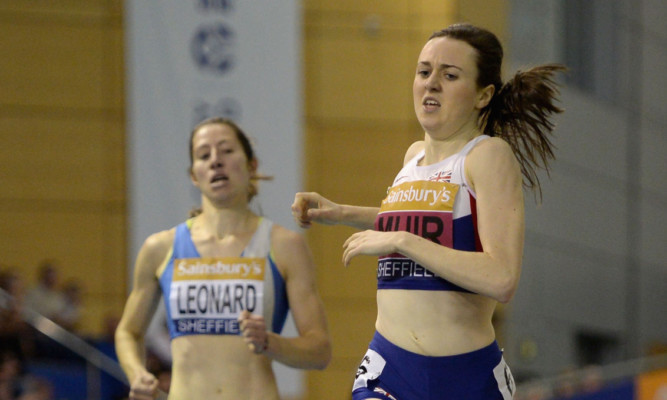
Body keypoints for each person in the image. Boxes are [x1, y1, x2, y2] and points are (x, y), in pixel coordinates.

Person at [292, 23, 565, 400]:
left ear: (483, 95)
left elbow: (501, 277)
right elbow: (429, 220)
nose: (431, 83)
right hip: (388, 368)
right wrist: (341, 212)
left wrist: (403, 242)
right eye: (424, 71)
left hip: (465, 378)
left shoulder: (486, 157)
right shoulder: (413, 156)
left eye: (449, 75)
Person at [115, 118, 331, 400]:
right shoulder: (160, 248)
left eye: (227, 150)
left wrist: (270, 342)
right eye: (204, 155)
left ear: (252, 165)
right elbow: (128, 332)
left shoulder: (285, 246)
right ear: (194, 174)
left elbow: (320, 351)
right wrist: (137, 374)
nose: (216, 161)